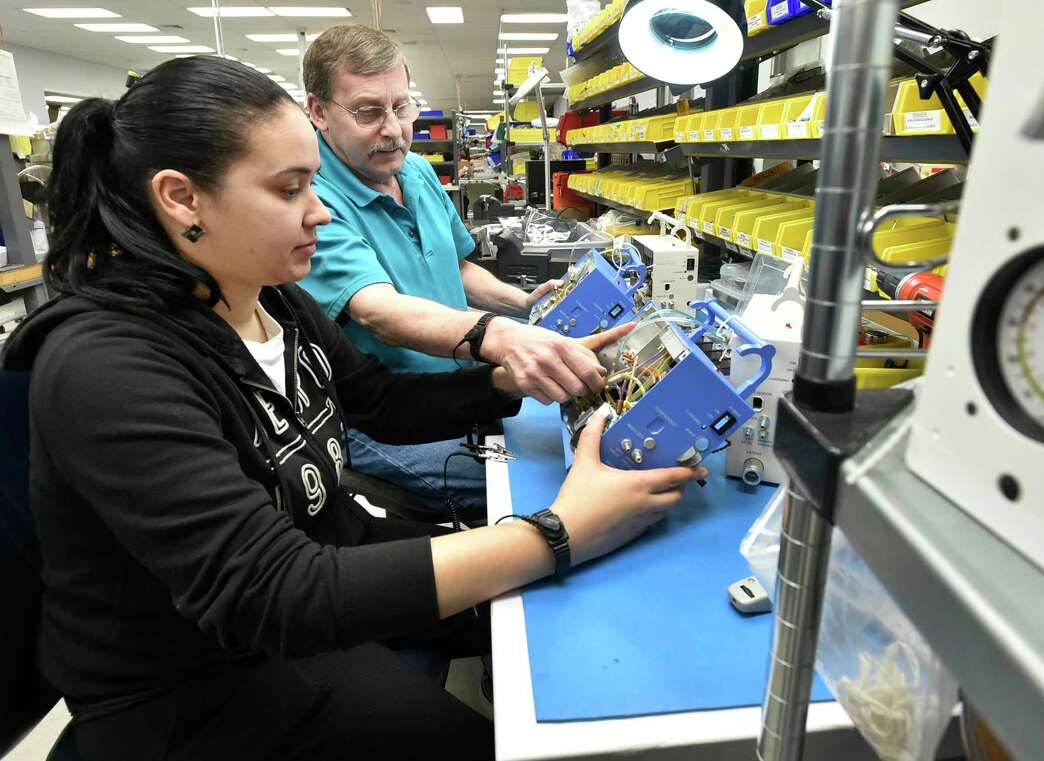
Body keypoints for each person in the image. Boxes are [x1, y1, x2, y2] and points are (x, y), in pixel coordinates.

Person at [2, 56, 706, 761]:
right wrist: (560, 530)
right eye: (291, 188)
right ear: (183, 198)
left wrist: (523, 376)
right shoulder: (108, 365)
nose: (322, 210)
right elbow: (274, 591)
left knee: (539, 621)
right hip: (198, 679)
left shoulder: (272, 296)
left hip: (319, 562)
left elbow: (380, 401)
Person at [299, 25, 583, 522]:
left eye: (401, 106)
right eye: (368, 111)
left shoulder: (416, 171)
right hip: (386, 422)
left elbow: (456, 264)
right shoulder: (314, 201)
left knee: (564, 462)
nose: (393, 129)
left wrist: (524, 303)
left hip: (462, 393)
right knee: (546, 498)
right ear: (319, 111)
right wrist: (499, 336)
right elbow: (378, 312)